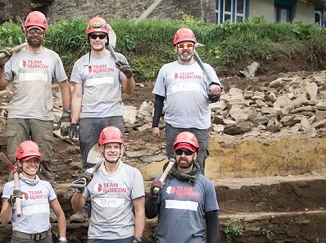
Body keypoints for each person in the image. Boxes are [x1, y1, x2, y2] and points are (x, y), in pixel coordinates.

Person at [68, 16, 135, 223]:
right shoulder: (81, 63)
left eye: (101, 36)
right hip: (89, 118)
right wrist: (73, 121)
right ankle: (84, 208)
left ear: (107, 38)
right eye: (93, 36)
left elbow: (129, 91)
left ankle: (120, 203)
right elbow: (77, 95)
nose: (97, 39)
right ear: (89, 38)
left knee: (115, 159)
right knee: (89, 162)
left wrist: (129, 76)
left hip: (113, 116)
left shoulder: (118, 59)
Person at [0, 10, 71, 189]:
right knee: (14, 161)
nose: (35, 34)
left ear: (44, 33)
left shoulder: (52, 57)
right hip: (17, 116)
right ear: (25, 32)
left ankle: (46, 202)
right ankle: (14, 201)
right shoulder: (15, 56)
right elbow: (0, 85)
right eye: (32, 30)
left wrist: (67, 113)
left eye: (39, 31)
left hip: (43, 117)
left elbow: (64, 84)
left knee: (44, 161)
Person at [151, 27, 223, 173]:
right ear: (175, 48)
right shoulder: (166, 69)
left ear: (194, 47)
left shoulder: (206, 69)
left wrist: (214, 92)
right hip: (174, 125)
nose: (185, 49)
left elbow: (215, 97)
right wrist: (155, 125)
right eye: (182, 46)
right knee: (174, 162)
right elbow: (159, 99)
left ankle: (198, 193)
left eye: (189, 46)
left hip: (199, 125)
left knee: (199, 162)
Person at [70, 126, 145, 243]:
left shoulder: (133, 174)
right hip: (97, 237)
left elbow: (139, 209)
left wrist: (137, 238)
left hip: (124, 236)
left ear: (121, 149)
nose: (112, 150)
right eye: (108, 147)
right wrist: (79, 191)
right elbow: (77, 207)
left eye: (116, 147)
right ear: (101, 148)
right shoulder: (90, 174)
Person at [145, 131, 220, 243]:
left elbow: (212, 222)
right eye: (179, 152)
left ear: (195, 155)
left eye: (188, 152)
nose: (183, 156)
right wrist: (153, 195)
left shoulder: (206, 185)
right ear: (175, 154)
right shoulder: (161, 180)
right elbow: (150, 214)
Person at [0, 141, 67, 243]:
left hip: (46, 238)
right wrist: (10, 201)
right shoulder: (11, 187)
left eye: (36, 161)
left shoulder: (46, 186)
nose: (33, 164)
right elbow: (4, 221)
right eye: (28, 161)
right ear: (19, 163)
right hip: (22, 239)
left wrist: (62, 238)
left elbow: (60, 214)